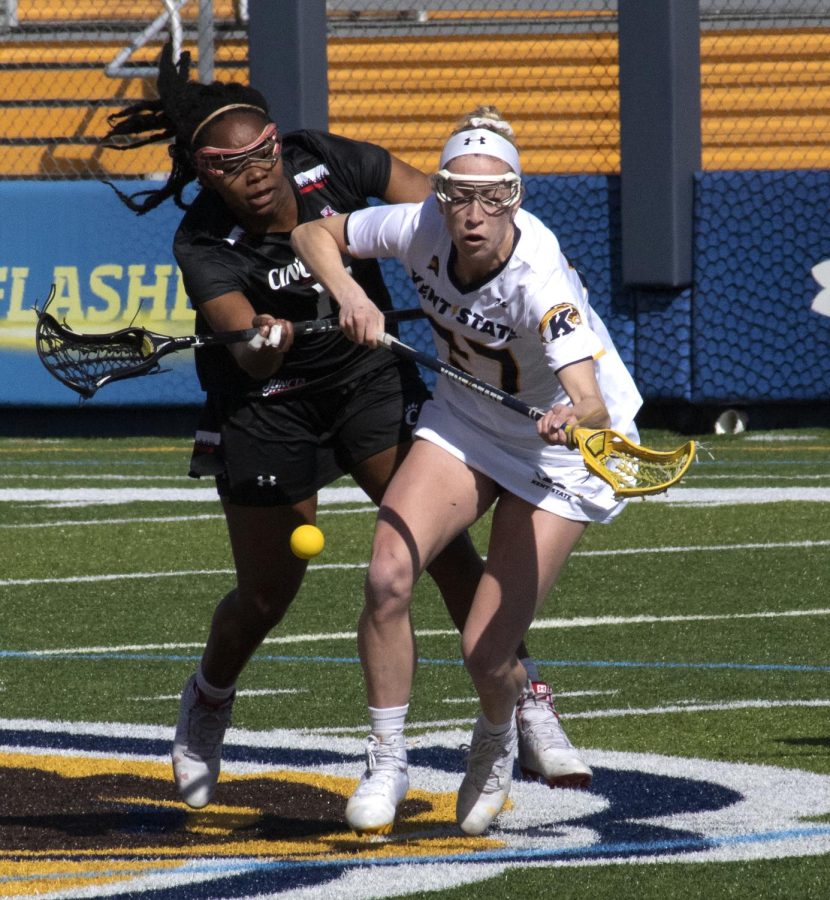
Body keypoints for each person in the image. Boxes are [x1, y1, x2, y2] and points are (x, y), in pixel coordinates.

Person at [102, 46, 591, 814]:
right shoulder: (202, 244)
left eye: (263, 149)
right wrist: (263, 340)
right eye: (231, 164)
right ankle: (207, 700)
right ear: (203, 171)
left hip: (364, 380)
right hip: (268, 406)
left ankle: (527, 701)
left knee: (438, 548)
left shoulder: (322, 160)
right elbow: (250, 353)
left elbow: (436, 207)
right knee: (265, 595)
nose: (258, 170)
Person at [289, 105, 643, 836]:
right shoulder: (418, 225)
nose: (475, 214)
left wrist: (572, 415)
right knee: (386, 575)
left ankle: (495, 736)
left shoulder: (538, 274)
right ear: (441, 192)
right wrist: (352, 294)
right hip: (467, 420)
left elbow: (591, 399)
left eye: (495, 196)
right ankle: (386, 757)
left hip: (559, 450)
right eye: (459, 193)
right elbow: (310, 231)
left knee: (487, 652)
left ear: (517, 197)